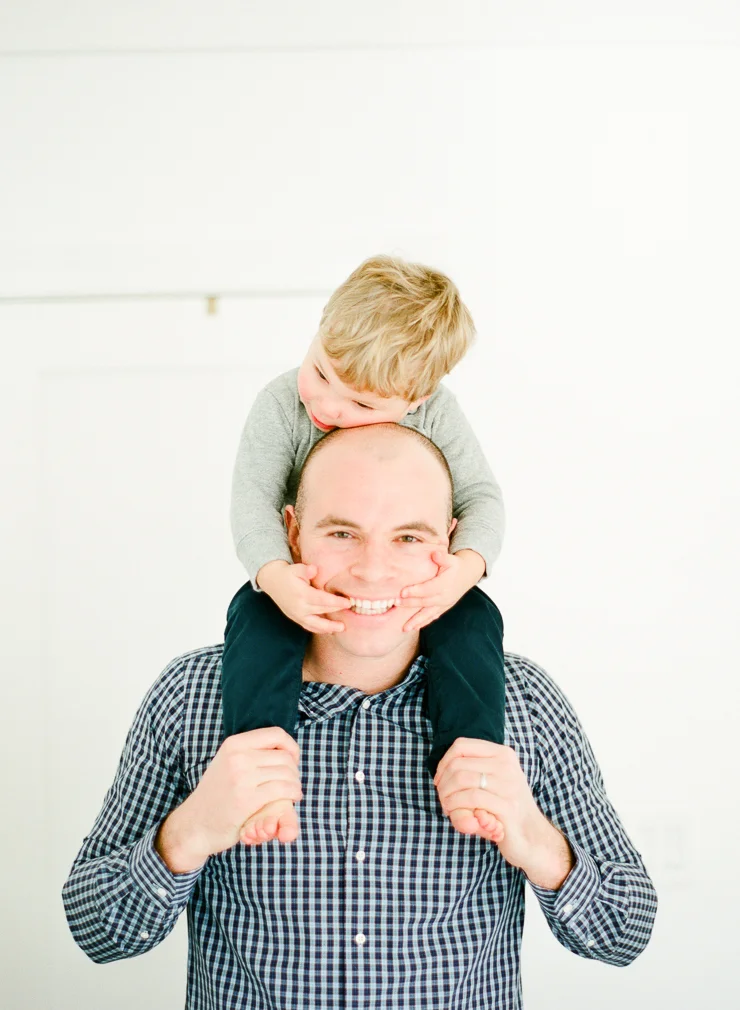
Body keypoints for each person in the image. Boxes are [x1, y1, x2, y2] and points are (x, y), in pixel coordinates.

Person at [62, 425, 657, 1010]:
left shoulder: (525, 703)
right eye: (342, 532)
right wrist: (187, 834)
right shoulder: (192, 697)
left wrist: (534, 839)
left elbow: (624, 933)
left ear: (452, 546)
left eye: (408, 538)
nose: (374, 571)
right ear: (291, 534)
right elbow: (96, 931)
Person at [225, 254, 506, 844]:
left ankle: (469, 767)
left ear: (418, 397)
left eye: (362, 406)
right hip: (299, 576)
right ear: (321, 324)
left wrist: (465, 570)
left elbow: (482, 498)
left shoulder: (439, 412)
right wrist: (277, 577)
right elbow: (251, 504)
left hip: (420, 592)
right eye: (322, 372)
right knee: (254, 620)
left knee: (476, 617)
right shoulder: (282, 404)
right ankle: (261, 776)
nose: (328, 408)